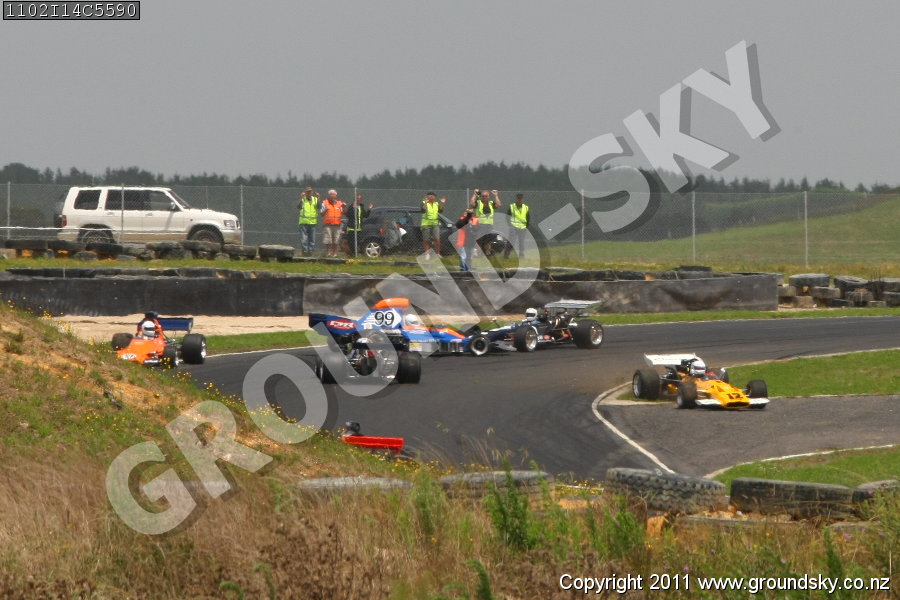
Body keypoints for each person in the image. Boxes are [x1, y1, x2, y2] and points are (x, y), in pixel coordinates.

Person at [469, 188, 501, 255]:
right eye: (483, 196)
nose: (484, 197)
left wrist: (496, 195)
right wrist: (474, 194)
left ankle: (487, 253)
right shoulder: (478, 203)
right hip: (480, 225)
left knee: (488, 241)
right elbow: (471, 203)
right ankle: (479, 254)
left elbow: (498, 204)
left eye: (486, 196)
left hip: (489, 225)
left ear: (488, 196)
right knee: (479, 240)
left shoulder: (491, 203)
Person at [320, 189, 346, 257]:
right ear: (329, 195)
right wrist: (326, 209)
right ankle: (329, 253)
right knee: (328, 240)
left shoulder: (339, 204)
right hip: (328, 225)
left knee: (336, 240)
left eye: (334, 195)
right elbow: (321, 214)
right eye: (331, 194)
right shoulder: (325, 203)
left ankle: (335, 253)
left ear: (336, 196)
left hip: (337, 225)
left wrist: (344, 207)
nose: (332, 196)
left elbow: (344, 213)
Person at [420, 191, 445, 259]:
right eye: (429, 195)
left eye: (433, 196)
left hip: (435, 224)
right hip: (426, 224)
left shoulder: (436, 204)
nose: (431, 197)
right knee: (426, 240)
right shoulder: (423, 203)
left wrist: (442, 203)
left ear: (435, 197)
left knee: (437, 239)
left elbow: (441, 210)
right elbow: (423, 210)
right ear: (427, 196)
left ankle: (437, 253)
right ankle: (427, 254)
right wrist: (426, 202)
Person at [504, 193, 530, 259]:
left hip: (522, 227)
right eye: (518, 199)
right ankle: (506, 254)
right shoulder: (512, 206)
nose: (519, 200)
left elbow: (528, 217)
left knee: (521, 242)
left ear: (522, 199)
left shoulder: (526, 207)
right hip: (514, 227)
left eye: (521, 199)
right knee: (511, 241)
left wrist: (526, 226)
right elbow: (507, 217)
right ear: (516, 199)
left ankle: (521, 254)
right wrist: (510, 225)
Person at [297, 187, 319, 255]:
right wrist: (301, 198)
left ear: (312, 192)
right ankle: (305, 251)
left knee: (312, 238)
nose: (309, 193)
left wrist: (318, 199)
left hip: (312, 222)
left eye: (310, 191)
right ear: (305, 193)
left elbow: (319, 207)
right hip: (304, 222)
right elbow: (298, 207)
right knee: (304, 238)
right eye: (307, 192)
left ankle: (310, 251)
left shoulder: (315, 199)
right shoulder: (303, 199)